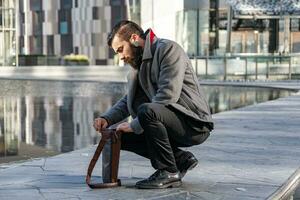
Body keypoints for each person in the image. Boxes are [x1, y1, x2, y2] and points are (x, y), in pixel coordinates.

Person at [93, 20, 214, 189]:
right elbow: (128, 101)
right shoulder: (138, 67)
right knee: (118, 136)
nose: (120, 57)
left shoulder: (168, 49)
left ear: (134, 39)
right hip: (168, 119)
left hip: (194, 123)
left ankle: (168, 172)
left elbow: (167, 95)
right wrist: (107, 118)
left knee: (147, 111)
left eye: (121, 49)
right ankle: (180, 160)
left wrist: (135, 124)